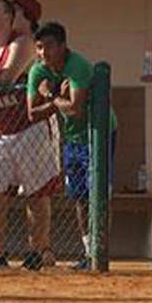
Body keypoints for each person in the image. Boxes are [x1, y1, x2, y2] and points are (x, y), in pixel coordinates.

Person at [0, 0, 57, 271]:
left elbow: (7, 80)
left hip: (29, 127)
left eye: (13, 12)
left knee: (35, 192)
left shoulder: (25, 43)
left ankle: (38, 250)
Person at [27, 21, 116, 271]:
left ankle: (101, 252)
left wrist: (50, 96)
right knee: (79, 196)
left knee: (98, 192)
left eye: (50, 47)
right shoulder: (38, 71)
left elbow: (75, 109)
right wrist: (57, 99)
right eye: (40, 47)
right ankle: (88, 251)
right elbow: (32, 113)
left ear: (63, 46)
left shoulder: (76, 66)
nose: (44, 53)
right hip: (72, 138)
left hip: (98, 133)